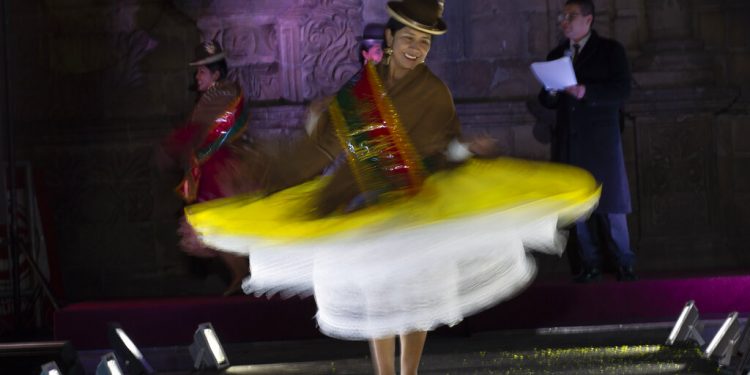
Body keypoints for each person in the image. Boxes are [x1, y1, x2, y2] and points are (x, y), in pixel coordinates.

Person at [186, 1, 600, 374]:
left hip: (416, 204)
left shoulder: (436, 93)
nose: (416, 48)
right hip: (367, 205)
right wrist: (270, 166)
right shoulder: (358, 92)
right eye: (409, 38)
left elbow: (447, 148)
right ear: (389, 38)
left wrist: (467, 148)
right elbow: (317, 151)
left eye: (424, 42)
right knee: (378, 299)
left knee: (413, 299)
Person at [538, 0, 637, 283]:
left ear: (589, 19)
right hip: (572, 140)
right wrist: (553, 94)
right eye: (562, 16)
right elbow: (545, 98)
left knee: (613, 206)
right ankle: (589, 263)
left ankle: (625, 262)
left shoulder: (610, 51)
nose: (564, 22)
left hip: (602, 141)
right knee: (580, 208)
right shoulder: (557, 54)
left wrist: (586, 92)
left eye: (571, 16)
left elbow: (621, 89)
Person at [161, 40, 253, 296]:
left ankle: (241, 274)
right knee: (213, 227)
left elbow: (198, 132)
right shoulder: (215, 97)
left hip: (220, 171)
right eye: (197, 71)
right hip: (213, 169)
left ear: (216, 74)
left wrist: (171, 145)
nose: (196, 76)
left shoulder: (220, 95)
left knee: (212, 224)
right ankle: (240, 274)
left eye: (201, 71)